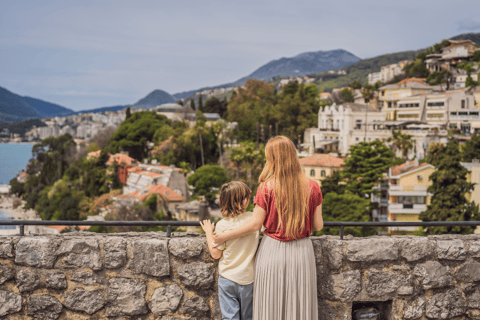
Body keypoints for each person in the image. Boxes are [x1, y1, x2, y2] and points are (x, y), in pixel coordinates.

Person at [213, 136, 324, 320]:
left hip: (273, 251)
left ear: (272, 158)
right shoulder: (313, 186)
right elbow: (318, 225)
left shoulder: (267, 187)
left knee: (270, 306)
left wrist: (224, 236)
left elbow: (255, 224)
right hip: (303, 252)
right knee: (299, 305)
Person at [200, 181, 260, 320]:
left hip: (227, 278)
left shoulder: (222, 225)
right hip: (248, 278)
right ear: (242, 201)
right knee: (248, 317)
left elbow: (215, 254)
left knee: (229, 317)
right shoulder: (254, 220)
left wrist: (209, 231)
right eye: (247, 197)